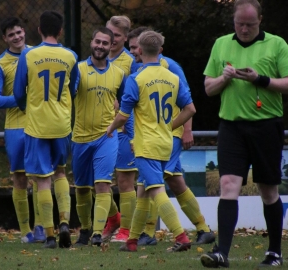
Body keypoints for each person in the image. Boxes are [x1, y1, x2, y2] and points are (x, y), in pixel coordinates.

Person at [200, 0, 288, 267]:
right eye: (240, 24)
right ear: (233, 21)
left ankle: (274, 251)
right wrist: (224, 78)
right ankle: (221, 253)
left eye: (250, 24)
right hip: (231, 127)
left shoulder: (277, 44)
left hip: (266, 126)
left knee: (268, 190)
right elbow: (208, 88)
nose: (245, 29)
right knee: (228, 185)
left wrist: (259, 79)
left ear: (260, 20)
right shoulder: (221, 43)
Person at [107, 30, 196, 252]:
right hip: (166, 142)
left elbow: (123, 115)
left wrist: (110, 128)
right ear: (160, 51)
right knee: (144, 192)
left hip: (146, 144)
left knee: (156, 190)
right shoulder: (172, 77)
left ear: (139, 50)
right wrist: (169, 126)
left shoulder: (136, 78)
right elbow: (190, 109)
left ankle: (181, 236)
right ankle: (132, 241)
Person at [127, 26, 215, 246]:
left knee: (152, 183)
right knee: (173, 182)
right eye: (132, 47)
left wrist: (186, 130)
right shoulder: (140, 69)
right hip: (157, 134)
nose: (134, 50)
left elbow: (187, 101)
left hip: (168, 133)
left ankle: (150, 234)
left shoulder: (170, 66)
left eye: (135, 46)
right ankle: (202, 229)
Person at [13, 10, 78, 249]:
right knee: (60, 172)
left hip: (37, 126)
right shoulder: (70, 56)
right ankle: (64, 221)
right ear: (60, 31)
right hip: (61, 124)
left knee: (42, 180)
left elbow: (19, 92)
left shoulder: (29, 55)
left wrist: (26, 107)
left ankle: (49, 235)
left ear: (39, 30)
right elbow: (73, 88)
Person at [0, 17, 46, 244]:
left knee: (41, 176)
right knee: (20, 178)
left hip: (40, 124)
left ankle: (41, 226)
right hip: (15, 128)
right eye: (11, 34)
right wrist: (21, 99)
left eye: (19, 32)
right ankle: (26, 232)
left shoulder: (38, 54)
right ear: (5, 38)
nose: (17, 37)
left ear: (25, 32)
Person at [72, 27, 126, 247]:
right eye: (97, 42)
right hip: (79, 137)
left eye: (105, 43)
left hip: (107, 135)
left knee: (102, 184)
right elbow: (67, 94)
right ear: (91, 42)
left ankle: (96, 233)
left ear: (111, 45)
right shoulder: (77, 69)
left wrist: (124, 130)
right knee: (82, 188)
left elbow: (125, 105)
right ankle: (85, 230)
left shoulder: (120, 74)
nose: (100, 46)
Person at [102, 15, 141, 243]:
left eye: (117, 35)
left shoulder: (131, 62)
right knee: (100, 180)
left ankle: (127, 229)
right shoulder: (97, 58)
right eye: (109, 33)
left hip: (126, 128)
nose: (112, 39)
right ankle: (114, 217)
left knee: (125, 181)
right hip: (101, 128)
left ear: (126, 37)